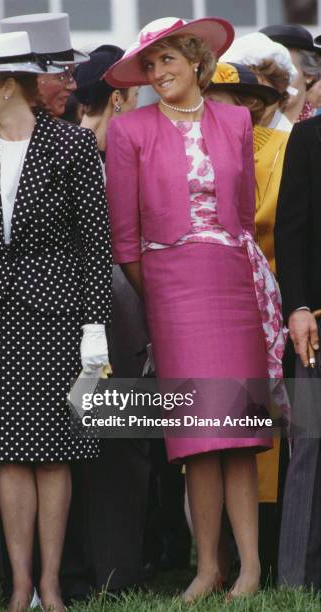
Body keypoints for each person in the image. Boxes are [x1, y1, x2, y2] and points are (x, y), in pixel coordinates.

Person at [105, 16, 285, 602]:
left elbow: (242, 213)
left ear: (196, 60)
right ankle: (207, 568)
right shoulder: (130, 131)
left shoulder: (236, 119)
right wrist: (159, 291)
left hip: (233, 282)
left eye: (168, 62)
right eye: (150, 66)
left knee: (239, 428)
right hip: (169, 286)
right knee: (195, 436)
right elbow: (124, 237)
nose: (158, 73)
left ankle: (251, 568)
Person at [0, 31, 111, 612]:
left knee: (55, 449)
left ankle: (52, 586)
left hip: (58, 314)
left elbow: (95, 244)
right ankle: (19, 586)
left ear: (5, 84)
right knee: (8, 451)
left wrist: (95, 325)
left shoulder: (71, 145)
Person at [58, 45, 149, 600]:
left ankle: (70, 573)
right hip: (116, 305)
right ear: (118, 97)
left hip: (57, 313)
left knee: (64, 446)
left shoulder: (49, 148)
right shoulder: (115, 153)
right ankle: (115, 575)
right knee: (116, 445)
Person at [206, 63, 289, 583]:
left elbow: (262, 218)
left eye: (228, 98)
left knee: (262, 428)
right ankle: (212, 557)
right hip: (203, 297)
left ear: (251, 105)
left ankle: (263, 554)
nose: (218, 108)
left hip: (263, 299)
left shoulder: (278, 150)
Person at [275, 106, 321, 591]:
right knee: (310, 445)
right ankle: (295, 580)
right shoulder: (308, 137)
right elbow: (290, 231)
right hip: (317, 322)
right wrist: (299, 307)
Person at [0, 13, 88, 118]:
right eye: (61, 76)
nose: (73, 86)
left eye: (71, 74)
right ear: (27, 78)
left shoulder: (71, 133)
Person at [221, 32, 297, 133]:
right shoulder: (219, 134)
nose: (253, 99)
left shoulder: (292, 138)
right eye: (244, 91)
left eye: (261, 89)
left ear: (279, 90)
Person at [260, 24, 321, 123]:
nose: (275, 80)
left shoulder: (317, 128)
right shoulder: (243, 128)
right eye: (264, 70)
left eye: (286, 70)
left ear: (309, 74)